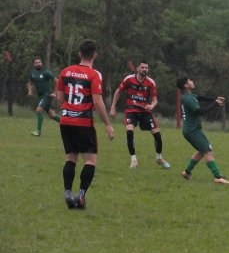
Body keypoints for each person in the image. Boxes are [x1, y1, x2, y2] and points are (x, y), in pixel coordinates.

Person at [56, 40, 115, 210]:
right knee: (90, 160)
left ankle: (68, 192)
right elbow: (97, 102)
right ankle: (81, 194)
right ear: (94, 56)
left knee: (71, 157)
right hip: (84, 122)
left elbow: (60, 98)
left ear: (79, 54)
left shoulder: (65, 72)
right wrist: (107, 125)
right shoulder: (94, 75)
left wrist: (68, 112)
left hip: (66, 120)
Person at [110, 60, 170, 169]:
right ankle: (133, 160)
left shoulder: (151, 83)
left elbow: (155, 100)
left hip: (145, 112)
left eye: (146, 68)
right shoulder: (129, 79)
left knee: (157, 134)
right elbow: (118, 92)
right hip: (131, 110)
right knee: (129, 132)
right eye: (142, 67)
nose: (144, 69)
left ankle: (159, 158)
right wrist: (113, 107)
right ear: (137, 68)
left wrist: (151, 106)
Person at [177, 77, 229, 184]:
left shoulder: (188, 96)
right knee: (207, 151)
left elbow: (200, 97)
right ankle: (218, 177)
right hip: (193, 131)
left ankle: (187, 172)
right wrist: (215, 104)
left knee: (202, 151)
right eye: (190, 81)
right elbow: (200, 111)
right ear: (186, 86)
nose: (192, 81)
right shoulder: (189, 99)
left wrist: (215, 98)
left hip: (191, 130)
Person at [28, 57, 61, 136]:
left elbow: (57, 81)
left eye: (39, 62)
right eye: (36, 63)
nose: (38, 64)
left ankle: (38, 132)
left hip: (47, 95)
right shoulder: (32, 73)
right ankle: (68, 124)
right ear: (33, 64)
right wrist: (30, 91)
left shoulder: (45, 73)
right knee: (52, 115)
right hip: (41, 95)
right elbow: (30, 83)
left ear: (41, 64)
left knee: (39, 110)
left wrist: (54, 93)